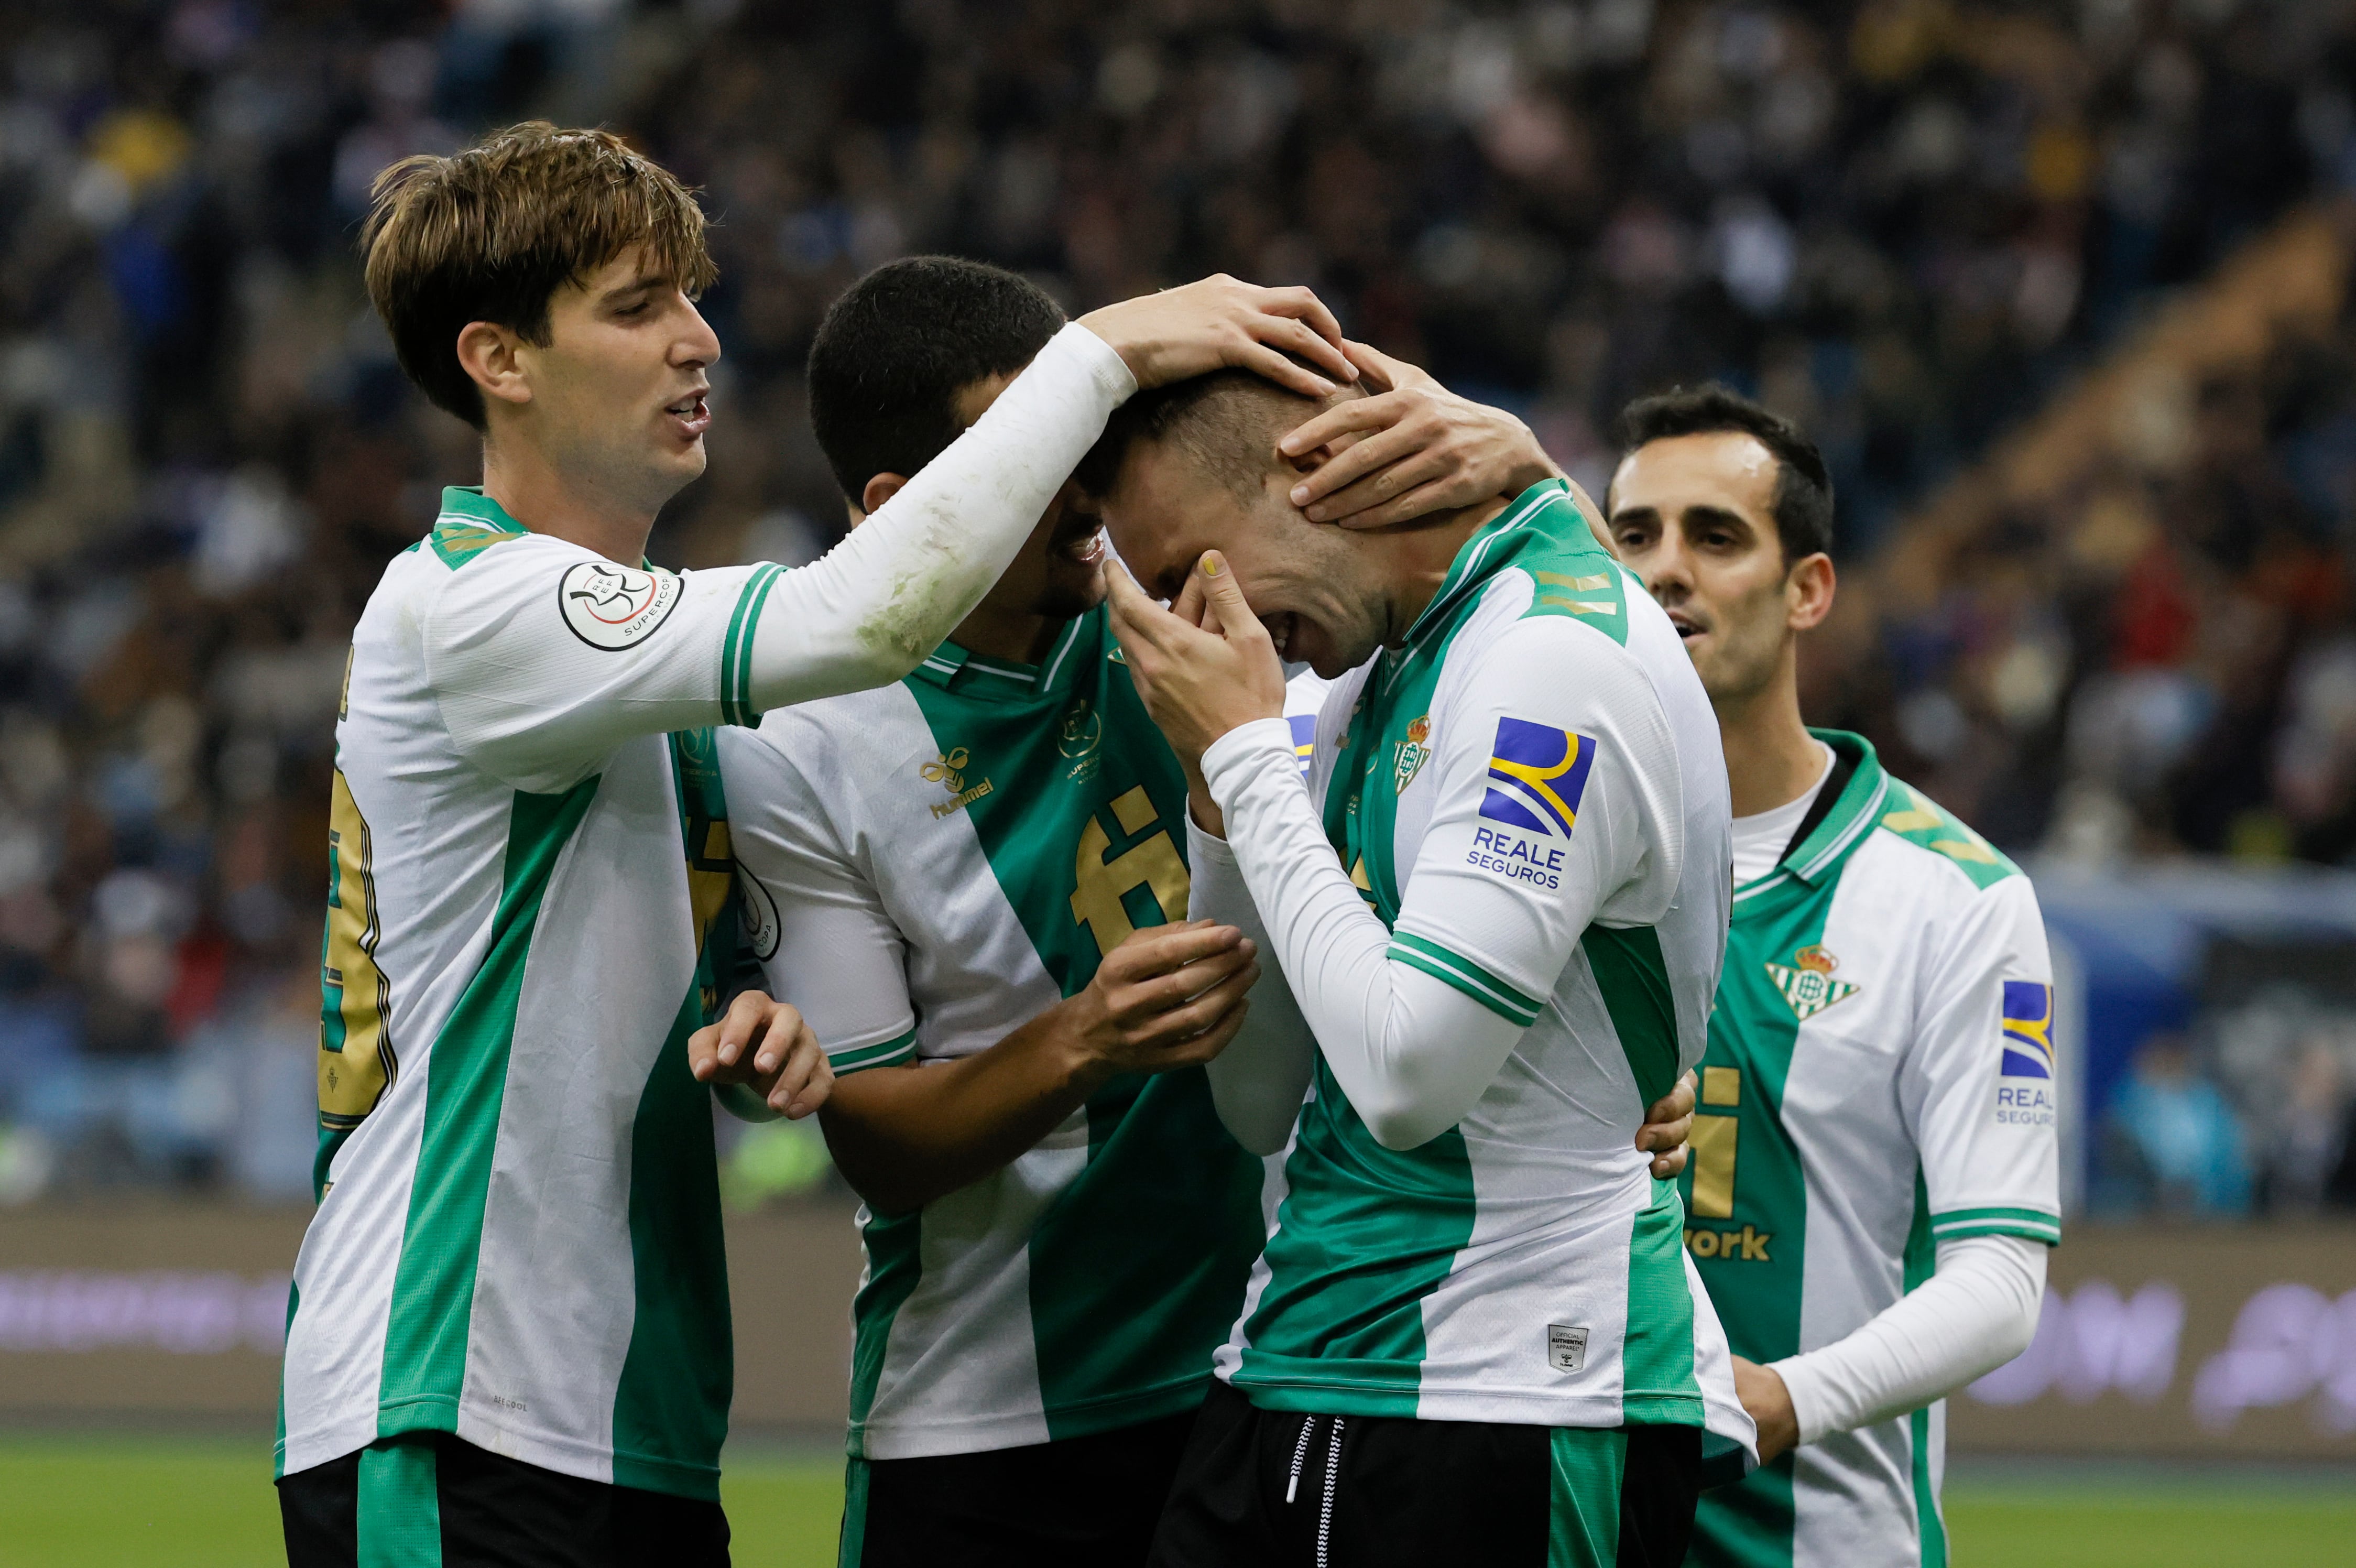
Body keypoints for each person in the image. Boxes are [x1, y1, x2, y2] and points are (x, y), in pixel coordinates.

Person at [275, 121, 1360, 1568]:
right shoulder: (469, 608)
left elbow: (567, 964)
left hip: (616, 1407)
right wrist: (1095, 354)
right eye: (637, 304)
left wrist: (755, 1023)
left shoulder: (649, 670)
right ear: (499, 360)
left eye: (691, 293)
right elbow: (863, 618)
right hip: (451, 1387)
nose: (698, 337)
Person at [721, 257, 1703, 1566]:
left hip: (1257, 1360)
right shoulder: (802, 732)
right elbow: (878, 1145)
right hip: (984, 1406)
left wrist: (1532, 476)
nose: (1083, 496)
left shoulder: (1220, 636)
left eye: (1085, 433)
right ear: (911, 506)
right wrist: (1079, 1041)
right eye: (1032, 448)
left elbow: (1547, 663)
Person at [1093, 365, 1754, 1567]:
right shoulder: (1366, 675)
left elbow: (1407, 1080)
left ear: (1314, 476)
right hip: (1303, 1351)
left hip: (1508, 1388)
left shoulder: (1553, 661)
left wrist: (1246, 758)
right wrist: (1219, 799)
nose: (1196, 620)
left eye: (1195, 561)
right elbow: (1257, 1102)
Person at [1602, 385, 2057, 1568]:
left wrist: (1780, 1398)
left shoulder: (1958, 898)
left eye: (1714, 536)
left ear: (1807, 587)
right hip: (1558, 1513)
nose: (1664, 572)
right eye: (1633, 536)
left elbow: (2002, 1277)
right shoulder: (1533, 861)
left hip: (1817, 1539)